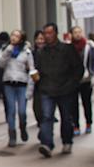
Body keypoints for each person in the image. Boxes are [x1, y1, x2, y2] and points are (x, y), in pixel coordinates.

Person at [35, 23, 84, 158]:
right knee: (46, 116)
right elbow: (37, 69)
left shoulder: (67, 49)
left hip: (65, 89)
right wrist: (36, 78)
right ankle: (46, 144)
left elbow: (78, 68)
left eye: (50, 33)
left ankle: (67, 141)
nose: (47, 36)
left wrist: (72, 84)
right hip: (46, 88)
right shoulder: (40, 52)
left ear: (55, 33)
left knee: (66, 117)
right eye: (45, 33)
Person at [0, 30, 34, 145]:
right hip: (8, 82)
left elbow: (32, 69)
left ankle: (23, 127)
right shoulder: (4, 49)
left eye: (17, 36)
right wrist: (8, 50)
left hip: (22, 83)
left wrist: (30, 88)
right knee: (11, 110)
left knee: (22, 111)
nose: (14, 38)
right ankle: (12, 135)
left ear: (21, 39)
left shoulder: (26, 52)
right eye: (13, 35)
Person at [71, 25, 94, 135]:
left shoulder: (89, 46)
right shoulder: (68, 46)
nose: (77, 34)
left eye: (79, 32)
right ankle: (76, 126)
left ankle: (88, 123)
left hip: (86, 79)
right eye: (75, 32)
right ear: (71, 34)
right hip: (72, 80)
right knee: (73, 104)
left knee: (86, 103)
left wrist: (93, 73)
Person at [31, 29, 46, 130]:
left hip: (48, 82)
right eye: (38, 39)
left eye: (42, 39)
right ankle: (40, 120)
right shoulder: (31, 53)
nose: (40, 41)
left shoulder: (49, 52)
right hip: (35, 82)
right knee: (37, 104)